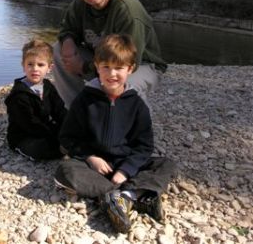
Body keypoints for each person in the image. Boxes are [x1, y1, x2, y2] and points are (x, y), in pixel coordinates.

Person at [54, 34, 177, 233]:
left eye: (119, 68)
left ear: (130, 69)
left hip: (124, 164)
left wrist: (126, 170)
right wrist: (90, 157)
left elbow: (144, 146)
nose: (112, 74)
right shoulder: (85, 100)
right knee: (66, 170)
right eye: (106, 67)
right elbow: (67, 137)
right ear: (97, 67)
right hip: (94, 166)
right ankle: (132, 195)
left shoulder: (137, 105)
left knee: (167, 164)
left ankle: (119, 196)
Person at [53, 0, 166, 108]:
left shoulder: (127, 10)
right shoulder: (80, 2)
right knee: (58, 49)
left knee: (122, 85)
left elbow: (128, 61)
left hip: (139, 64)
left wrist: (82, 67)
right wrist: (67, 41)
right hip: (102, 58)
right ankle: (76, 110)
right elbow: (67, 28)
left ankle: (135, 127)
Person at [5, 39, 67, 160]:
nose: (35, 69)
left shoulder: (48, 87)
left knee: (73, 133)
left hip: (45, 129)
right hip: (24, 135)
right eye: (30, 64)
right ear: (23, 66)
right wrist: (55, 135)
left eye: (40, 65)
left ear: (49, 67)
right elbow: (30, 123)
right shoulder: (18, 95)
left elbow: (60, 110)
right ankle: (22, 149)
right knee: (42, 149)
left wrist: (66, 128)